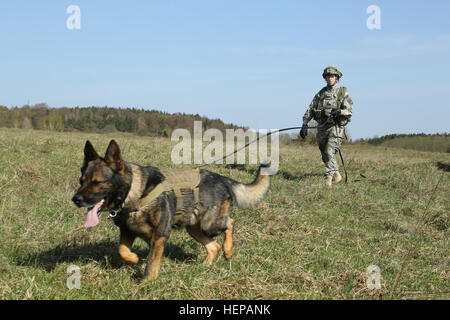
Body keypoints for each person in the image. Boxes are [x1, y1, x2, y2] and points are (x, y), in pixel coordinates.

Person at [300, 66, 354, 187]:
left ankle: (328, 180)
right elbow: (311, 108)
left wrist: (340, 112)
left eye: (333, 76)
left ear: (337, 78)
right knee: (325, 154)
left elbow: (350, 110)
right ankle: (336, 174)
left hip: (336, 128)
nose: (330, 78)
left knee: (330, 151)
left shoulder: (342, 93)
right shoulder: (321, 93)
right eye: (328, 76)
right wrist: (304, 124)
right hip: (322, 127)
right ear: (325, 78)